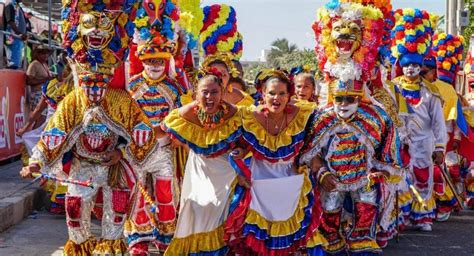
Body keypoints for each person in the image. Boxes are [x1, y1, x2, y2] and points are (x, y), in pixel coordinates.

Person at [19, 0, 161, 254]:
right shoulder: (74, 101)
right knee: (74, 209)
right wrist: (36, 162)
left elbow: (144, 137)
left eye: (99, 84)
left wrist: (120, 154)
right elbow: (55, 134)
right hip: (82, 165)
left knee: (116, 212)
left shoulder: (121, 101)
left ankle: (111, 248)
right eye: (88, 84)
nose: (94, 90)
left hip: (114, 168)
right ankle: (80, 248)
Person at [224, 70, 326, 255]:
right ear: (263, 94)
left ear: (289, 96)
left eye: (281, 94)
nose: (276, 98)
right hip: (259, 181)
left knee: (293, 231)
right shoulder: (249, 117)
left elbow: (313, 146)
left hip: (290, 180)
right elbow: (242, 145)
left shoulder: (303, 116)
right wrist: (241, 154)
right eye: (271, 93)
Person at [301, 78, 402, 255]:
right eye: (339, 98)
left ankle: (362, 247)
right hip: (331, 179)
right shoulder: (322, 118)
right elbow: (309, 152)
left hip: (364, 179)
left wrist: (380, 172)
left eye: (350, 99)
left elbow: (387, 149)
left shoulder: (375, 117)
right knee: (329, 218)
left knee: (366, 214)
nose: (343, 104)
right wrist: (322, 174)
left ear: (359, 98)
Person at [124, 1, 184, 253]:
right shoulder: (132, 86)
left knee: (165, 193)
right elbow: (124, 117)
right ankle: (140, 241)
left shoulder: (174, 88)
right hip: (135, 151)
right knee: (137, 196)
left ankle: (166, 237)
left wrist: (166, 131)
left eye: (161, 59)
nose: (156, 65)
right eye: (151, 59)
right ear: (142, 59)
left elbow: (180, 118)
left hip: (163, 150)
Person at [162, 68, 242, 255]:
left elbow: (245, 142)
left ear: (222, 93)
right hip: (199, 169)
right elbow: (163, 128)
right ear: (196, 94)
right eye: (204, 92)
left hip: (225, 170)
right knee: (194, 208)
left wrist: (240, 151)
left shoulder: (234, 113)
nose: (209, 96)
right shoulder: (186, 112)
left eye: (214, 92)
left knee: (219, 211)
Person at [390, 8, 447, 232]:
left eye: (415, 65)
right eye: (406, 66)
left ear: (420, 67)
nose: (411, 69)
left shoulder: (430, 92)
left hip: (424, 141)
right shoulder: (392, 89)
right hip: (400, 141)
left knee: (423, 178)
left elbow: (438, 122)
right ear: (401, 66)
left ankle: (422, 216)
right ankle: (401, 217)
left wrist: (440, 146)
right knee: (402, 178)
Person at [26, 45, 54, 125]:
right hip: (37, 93)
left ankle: (34, 136)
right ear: (37, 54)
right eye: (43, 53)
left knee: (43, 119)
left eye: (47, 53)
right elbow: (29, 81)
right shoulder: (34, 64)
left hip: (44, 94)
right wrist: (46, 79)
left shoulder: (44, 64)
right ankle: (32, 136)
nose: (46, 55)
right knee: (40, 119)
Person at [2, 0, 28, 69]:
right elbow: (10, 21)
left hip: (17, 39)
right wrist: (19, 33)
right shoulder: (10, 4)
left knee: (16, 63)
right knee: (12, 63)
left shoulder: (17, 5)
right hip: (12, 39)